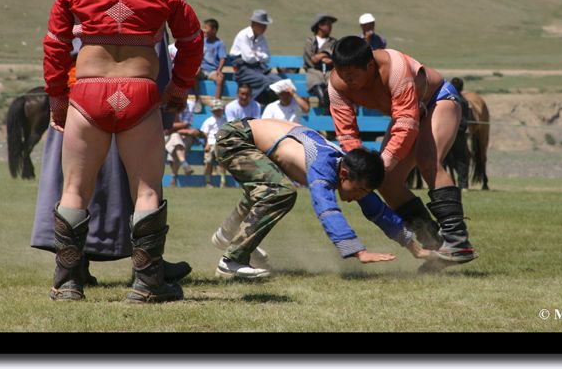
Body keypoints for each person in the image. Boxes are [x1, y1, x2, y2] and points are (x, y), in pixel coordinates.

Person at [42, 0, 203, 303]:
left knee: (74, 189)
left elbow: (56, 45)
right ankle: (147, 284)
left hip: (88, 92)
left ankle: (67, 284)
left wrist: (58, 98)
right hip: (140, 92)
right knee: (147, 190)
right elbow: (192, 41)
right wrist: (179, 90)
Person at [209, 118, 440, 279]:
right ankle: (232, 261)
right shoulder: (322, 165)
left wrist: (416, 249)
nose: (357, 197)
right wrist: (358, 251)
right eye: (359, 190)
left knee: (268, 188)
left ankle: (227, 234)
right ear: (344, 174)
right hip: (235, 139)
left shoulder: (345, 165)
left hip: (246, 135)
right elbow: (327, 210)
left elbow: (377, 210)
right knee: (280, 192)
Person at [328, 36, 477, 263]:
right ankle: (433, 244)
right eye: (341, 73)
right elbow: (346, 133)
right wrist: (359, 168)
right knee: (386, 182)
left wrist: (383, 162)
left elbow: (407, 124)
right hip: (406, 114)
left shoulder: (395, 67)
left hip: (437, 100)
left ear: (369, 66)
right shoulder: (337, 85)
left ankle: (458, 241)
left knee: (428, 160)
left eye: (352, 75)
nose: (347, 81)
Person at [229, 9, 284, 105]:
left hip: (257, 69)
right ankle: (256, 104)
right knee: (264, 81)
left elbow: (267, 56)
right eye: (262, 25)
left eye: (265, 25)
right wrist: (258, 55)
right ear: (254, 24)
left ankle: (270, 104)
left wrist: (255, 54)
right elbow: (248, 58)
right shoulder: (243, 35)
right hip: (242, 70)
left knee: (279, 81)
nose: (264, 28)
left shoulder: (261, 38)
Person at [303, 13, 338, 113]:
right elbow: (311, 59)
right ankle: (324, 102)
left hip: (329, 71)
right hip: (313, 71)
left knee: (333, 83)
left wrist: (323, 56)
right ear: (320, 25)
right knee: (315, 82)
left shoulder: (334, 42)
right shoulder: (310, 41)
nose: (330, 27)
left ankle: (328, 100)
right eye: (328, 24)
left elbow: (336, 57)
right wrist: (326, 54)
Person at [191, 18, 227, 111]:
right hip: (202, 69)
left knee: (220, 78)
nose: (203, 30)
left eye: (206, 28)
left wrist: (219, 70)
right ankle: (197, 100)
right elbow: (198, 55)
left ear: (214, 30)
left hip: (212, 71)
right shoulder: (202, 40)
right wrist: (197, 66)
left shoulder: (219, 43)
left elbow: (222, 58)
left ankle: (217, 101)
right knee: (192, 74)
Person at [444, 77, 471, 190]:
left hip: (447, 134)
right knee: (461, 159)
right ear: (461, 88)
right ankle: (463, 185)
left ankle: (444, 183)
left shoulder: (446, 100)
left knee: (444, 159)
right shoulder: (464, 101)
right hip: (459, 134)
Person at [164, 99, 198, 186]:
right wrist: (185, 130)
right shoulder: (170, 105)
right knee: (175, 137)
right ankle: (184, 163)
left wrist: (176, 129)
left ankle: (174, 177)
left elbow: (184, 124)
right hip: (172, 136)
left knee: (175, 141)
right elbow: (169, 127)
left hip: (179, 137)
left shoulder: (190, 105)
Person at [199, 99, 228, 188]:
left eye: (219, 110)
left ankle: (223, 181)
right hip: (211, 143)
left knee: (222, 162)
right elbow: (205, 133)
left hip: (221, 144)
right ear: (212, 111)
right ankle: (208, 181)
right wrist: (207, 143)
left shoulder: (225, 121)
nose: (217, 112)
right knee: (208, 161)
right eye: (215, 110)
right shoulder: (209, 121)